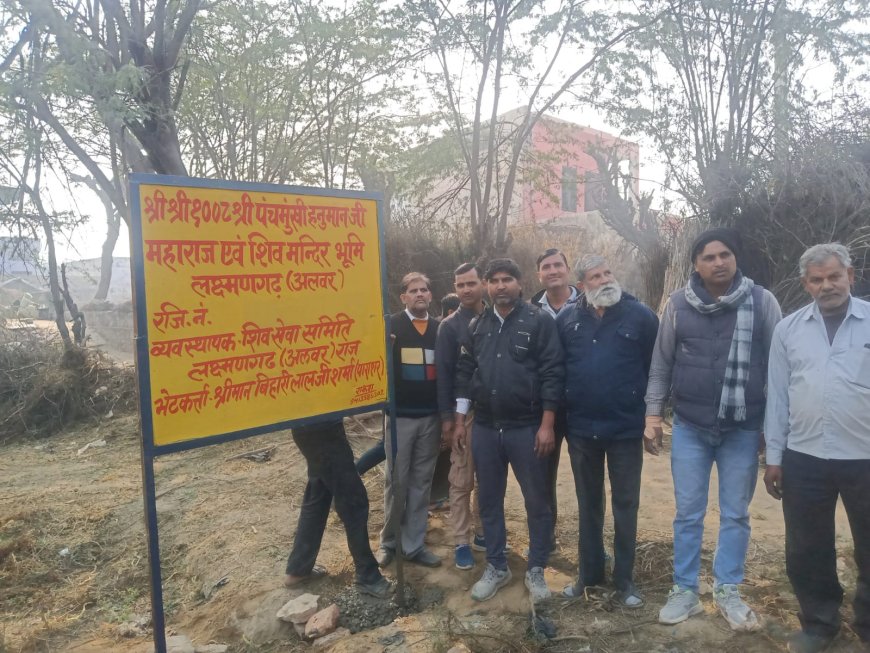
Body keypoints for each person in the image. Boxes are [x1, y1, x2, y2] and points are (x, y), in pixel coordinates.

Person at [645, 227, 782, 630]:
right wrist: (653, 415)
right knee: (688, 513)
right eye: (709, 257)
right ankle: (685, 590)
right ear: (696, 265)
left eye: (725, 254)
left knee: (736, 514)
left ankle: (728, 590)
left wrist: (773, 430)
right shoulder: (677, 305)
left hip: (743, 428)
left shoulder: (762, 302)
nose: (718, 262)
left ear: (735, 258)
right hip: (690, 426)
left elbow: (780, 369)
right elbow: (661, 363)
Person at [763, 243, 870, 653]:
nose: (827, 286)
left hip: (864, 456)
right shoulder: (788, 329)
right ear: (805, 284)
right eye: (817, 280)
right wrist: (775, 458)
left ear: (850, 276)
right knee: (808, 548)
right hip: (805, 456)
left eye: (834, 277)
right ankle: (819, 624)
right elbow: (778, 397)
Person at [454, 258, 564, 603]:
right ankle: (498, 566)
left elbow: (552, 373)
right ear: (487, 285)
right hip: (486, 427)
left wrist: (547, 424)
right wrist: (459, 420)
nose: (501, 285)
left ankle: (535, 569)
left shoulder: (539, 321)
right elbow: (464, 372)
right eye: (494, 280)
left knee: (537, 500)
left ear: (519, 283)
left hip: (527, 427)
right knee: (489, 499)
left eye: (507, 279)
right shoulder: (477, 326)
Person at [557, 255, 658, 607]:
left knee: (626, 504)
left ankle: (625, 581)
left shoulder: (641, 316)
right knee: (588, 504)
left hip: (625, 428)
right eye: (595, 277)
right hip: (582, 428)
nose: (604, 280)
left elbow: (654, 369)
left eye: (608, 273)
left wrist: (651, 418)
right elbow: (559, 370)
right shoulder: (567, 319)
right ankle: (589, 573)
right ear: (583, 285)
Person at [376, 272, 442, 568]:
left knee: (421, 483)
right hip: (400, 417)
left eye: (424, 290)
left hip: (430, 417)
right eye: (413, 290)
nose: (419, 294)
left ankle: (413, 544)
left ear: (430, 295)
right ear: (403, 296)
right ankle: (389, 542)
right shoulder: (391, 325)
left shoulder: (441, 329)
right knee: (396, 482)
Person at [283, 419, 392, 598]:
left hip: (306, 427)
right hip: (323, 429)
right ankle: (368, 576)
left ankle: (298, 568)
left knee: (318, 492)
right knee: (354, 501)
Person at [436, 263, 487, 570]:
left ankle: (483, 532)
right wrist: (447, 419)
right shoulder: (449, 327)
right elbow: (443, 375)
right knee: (460, 478)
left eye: (471, 283)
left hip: (495, 411)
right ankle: (461, 540)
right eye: (460, 285)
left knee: (489, 478)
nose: (466, 289)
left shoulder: (496, 318)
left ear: (482, 283)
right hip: (462, 414)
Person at [531, 248, 578, 553]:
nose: (552, 270)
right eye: (546, 266)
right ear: (539, 274)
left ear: (567, 268)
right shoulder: (530, 310)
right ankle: (545, 541)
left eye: (557, 265)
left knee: (587, 478)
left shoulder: (589, 304)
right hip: (544, 408)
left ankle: (591, 544)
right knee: (542, 477)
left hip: (582, 406)